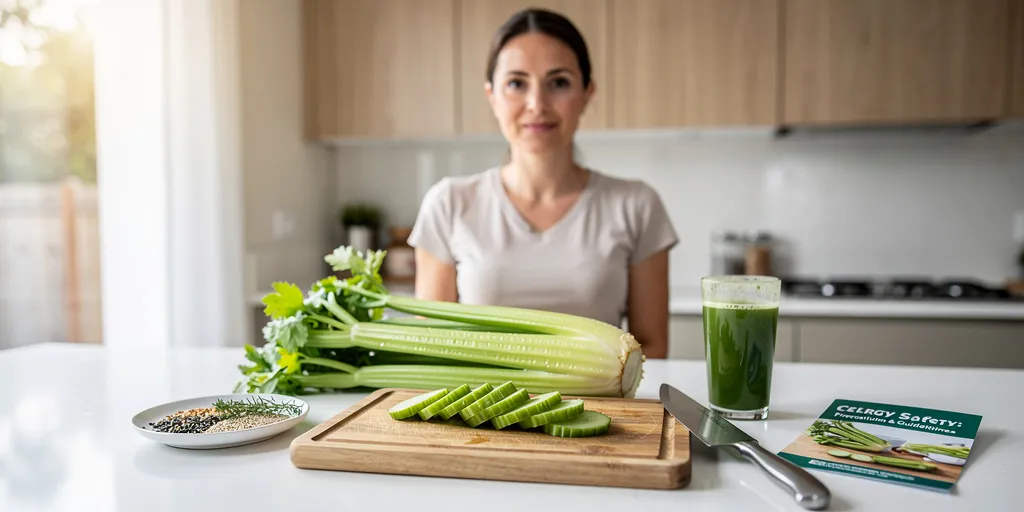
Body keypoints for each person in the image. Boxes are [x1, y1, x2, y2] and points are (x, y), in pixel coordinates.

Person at [406, 8, 678, 358]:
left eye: (559, 82)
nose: (537, 104)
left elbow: (652, 347)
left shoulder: (637, 205)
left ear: (587, 93)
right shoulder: (449, 204)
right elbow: (430, 345)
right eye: (517, 84)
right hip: (480, 411)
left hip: (603, 410)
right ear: (492, 96)